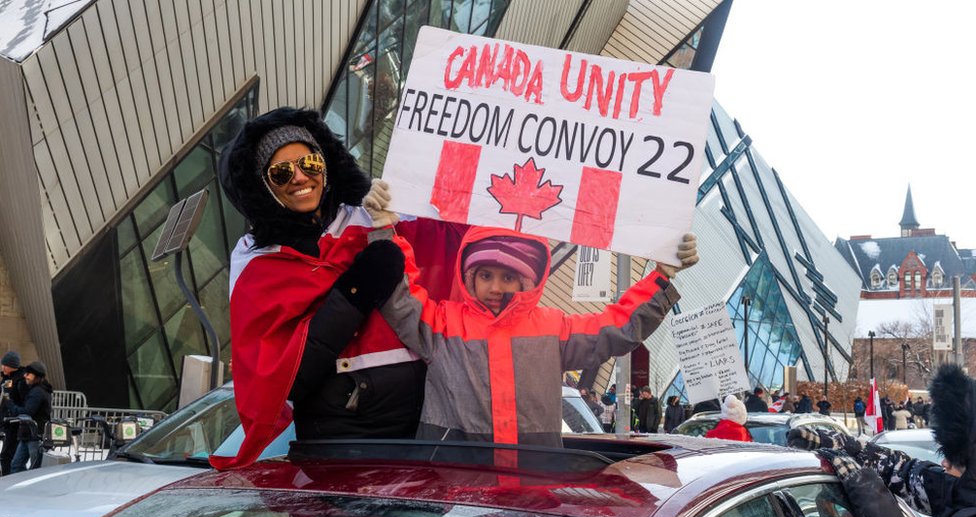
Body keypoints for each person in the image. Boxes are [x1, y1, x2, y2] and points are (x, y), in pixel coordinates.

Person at [366, 180, 699, 446]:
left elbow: (615, 329)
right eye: (485, 275)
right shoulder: (442, 324)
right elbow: (401, 295)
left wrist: (661, 277)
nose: (496, 287)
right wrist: (384, 232)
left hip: (531, 497)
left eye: (508, 277)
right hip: (453, 492)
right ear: (468, 275)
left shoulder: (552, 329)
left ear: (528, 279)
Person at [211, 107, 426, 470]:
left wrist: (391, 223)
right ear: (263, 186)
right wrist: (357, 290)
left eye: (308, 162)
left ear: (325, 164)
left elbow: (449, 280)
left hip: (422, 435)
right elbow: (285, 379)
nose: (299, 177)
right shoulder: (258, 262)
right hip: (342, 446)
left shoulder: (369, 216)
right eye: (280, 172)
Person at [787, 364, 976, 517]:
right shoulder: (960, 489)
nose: (944, 463)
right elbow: (902, 472)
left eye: (956, 459)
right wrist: (846, 445)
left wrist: (865, 487)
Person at [2, 361, 52, 473]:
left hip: (35, 435)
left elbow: (26, 412)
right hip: (28, 434)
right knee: (16, 465)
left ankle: (32, 488)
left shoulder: (38, 392)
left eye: (28, 374)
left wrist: (9, 403)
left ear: (37, 376)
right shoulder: (35, 390)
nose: (25, 376)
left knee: (35, 469)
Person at [0, 351, 26, 475]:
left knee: (7, 456)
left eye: (4, 365)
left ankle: (7, 481)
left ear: (12, 366)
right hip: (6, 422)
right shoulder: (7, 379)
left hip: (15, 423)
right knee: (7, 455)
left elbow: (20, 402)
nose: (2, 367)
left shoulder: (20, 381)